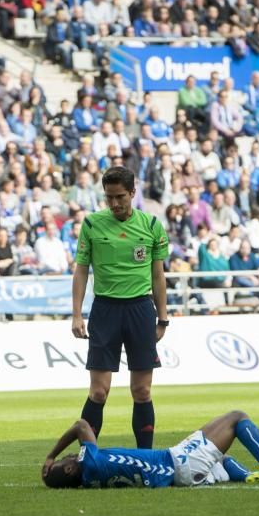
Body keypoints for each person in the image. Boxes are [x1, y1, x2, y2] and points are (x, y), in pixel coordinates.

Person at [72, 167, 169, 449]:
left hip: (140, 310)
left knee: (142, 391)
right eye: (109, 198)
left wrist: (162, 319)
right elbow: (81, 271)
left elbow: (158, 276)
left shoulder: (151, 226)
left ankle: (146, 458)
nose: (114, 204)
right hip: (105, 311)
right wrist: (77, 314)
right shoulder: (91, 224)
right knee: (99, 392)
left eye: (120, 197)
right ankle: (86, 457)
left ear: (132, 193)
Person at [42, 410, 259, 488]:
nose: (70, 455)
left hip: (179, 474)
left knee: (221, 457)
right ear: (68, 468)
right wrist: (51, 455)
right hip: (177, 461)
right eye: (65, 460)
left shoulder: (88, 479)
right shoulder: (88, 462)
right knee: (237, 417)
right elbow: (81, 425)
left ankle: (249, 477)